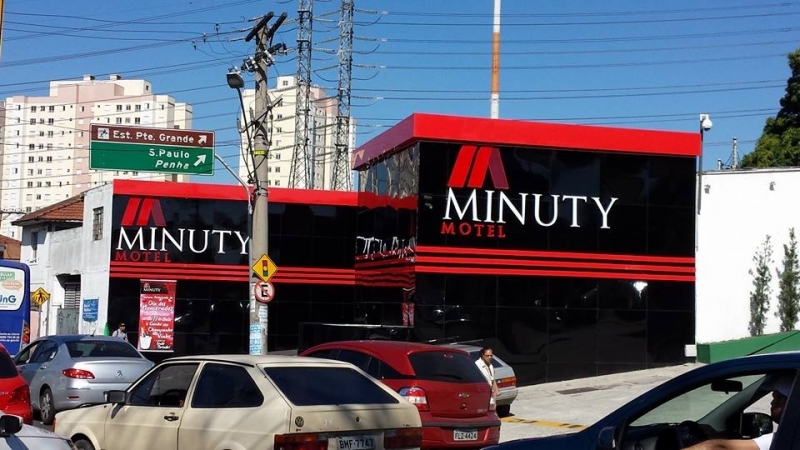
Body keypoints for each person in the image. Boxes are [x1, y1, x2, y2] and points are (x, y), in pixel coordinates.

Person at [684, 374, 792, 450]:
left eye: (777, 398)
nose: (772, 403)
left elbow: (721, 448)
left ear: (791, 401)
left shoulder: (788, 439)